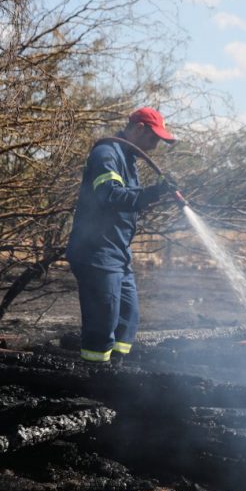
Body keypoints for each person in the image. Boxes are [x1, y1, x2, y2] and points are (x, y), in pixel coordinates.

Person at [65, 107, 177, 363]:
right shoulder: (106, 154)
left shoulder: (127, 159)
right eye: (153, 138)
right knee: (102, 322)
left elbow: (130, 200)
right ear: (138, 128)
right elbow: (110, 195)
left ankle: (116, 370)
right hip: (96, 253)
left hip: (118, 254)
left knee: (128, 318)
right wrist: (154, 192)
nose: (155, 145)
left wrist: (156, 192)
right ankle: (94, 375)